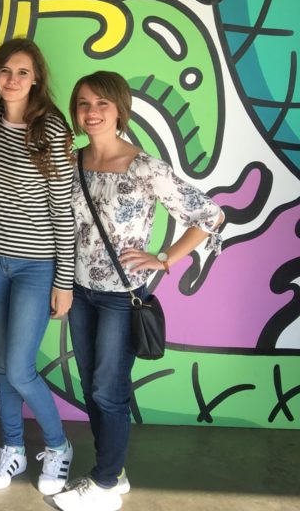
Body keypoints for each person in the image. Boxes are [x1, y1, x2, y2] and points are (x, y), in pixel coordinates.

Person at [53, 71, 223, 511]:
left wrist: (164, 258)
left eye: (101, 104)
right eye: (84, 104)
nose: (91, 112)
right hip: (79, 292)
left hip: (119, 296)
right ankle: (116, 472)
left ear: (119, 110)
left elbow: (209, 215)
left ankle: (105, 484)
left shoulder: (145, 168)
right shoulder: (72, 161)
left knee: (108, 390)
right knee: (94, 388)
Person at [0, 37, 75, 495]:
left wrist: (64, 280)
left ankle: (57, 446)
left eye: (22, 72)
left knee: (19, 368)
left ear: (36, 78)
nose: (12, 80)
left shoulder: (52, 129)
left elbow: (63, 210)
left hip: (37, 266)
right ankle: (12, 448)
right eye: (4, 71)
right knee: (3, 364)